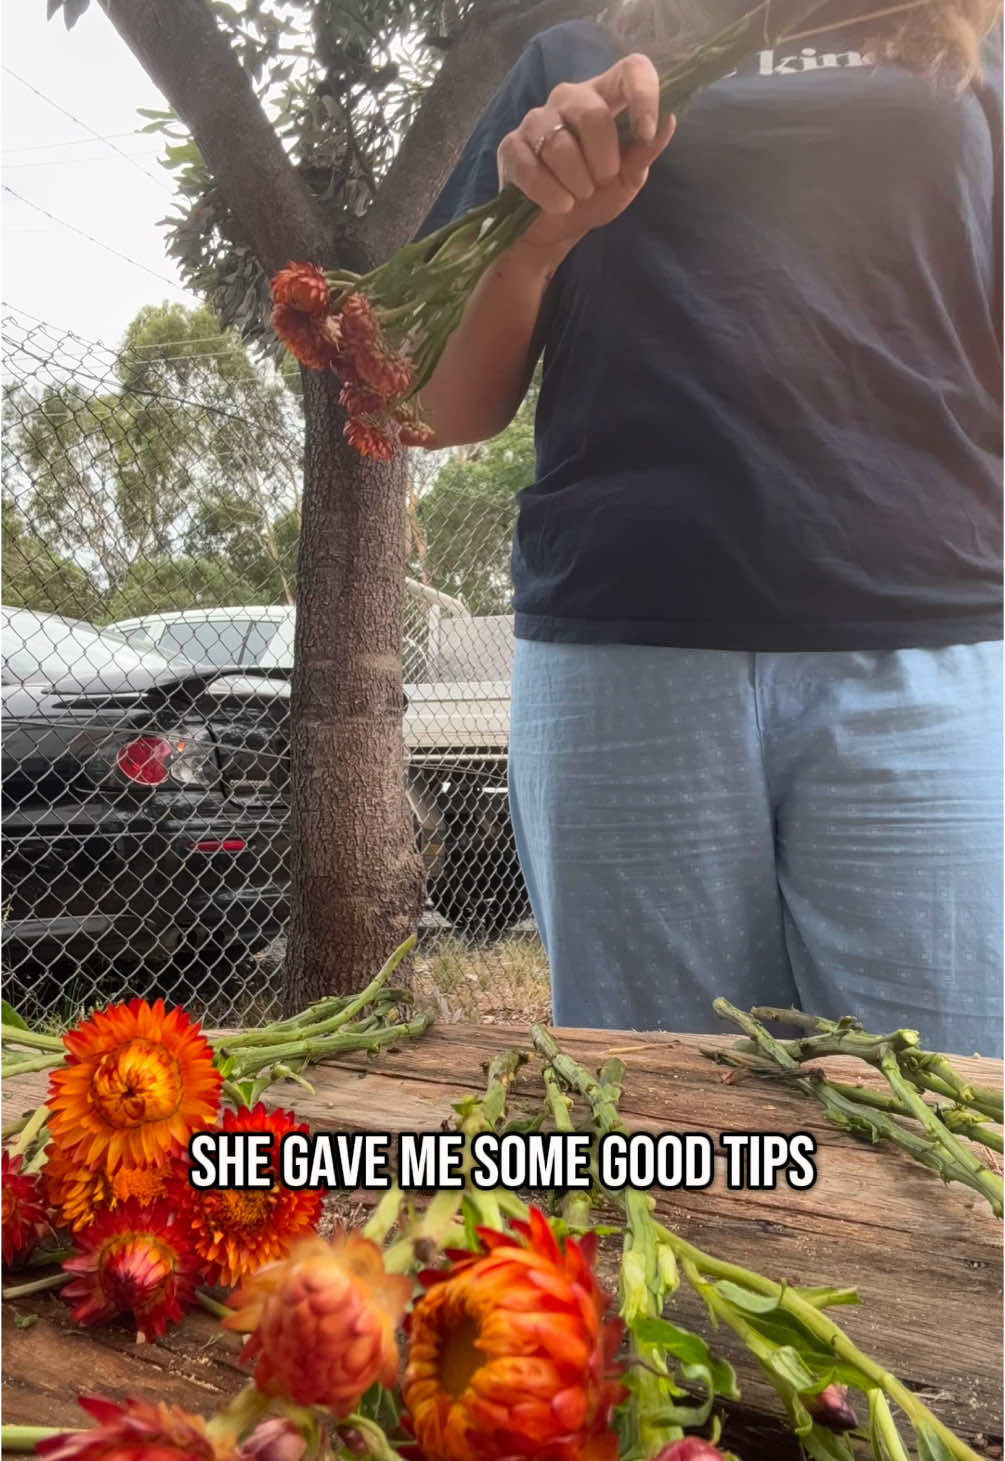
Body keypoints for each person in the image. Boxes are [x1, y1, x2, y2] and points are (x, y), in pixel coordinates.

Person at [416, 0, 1004, 1056]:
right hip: (626, 656)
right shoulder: (575, 60)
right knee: (664, 1131)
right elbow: (434, 406)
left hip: (936, 652)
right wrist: (530, 241)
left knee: (958, 1149)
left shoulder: (984, 53)